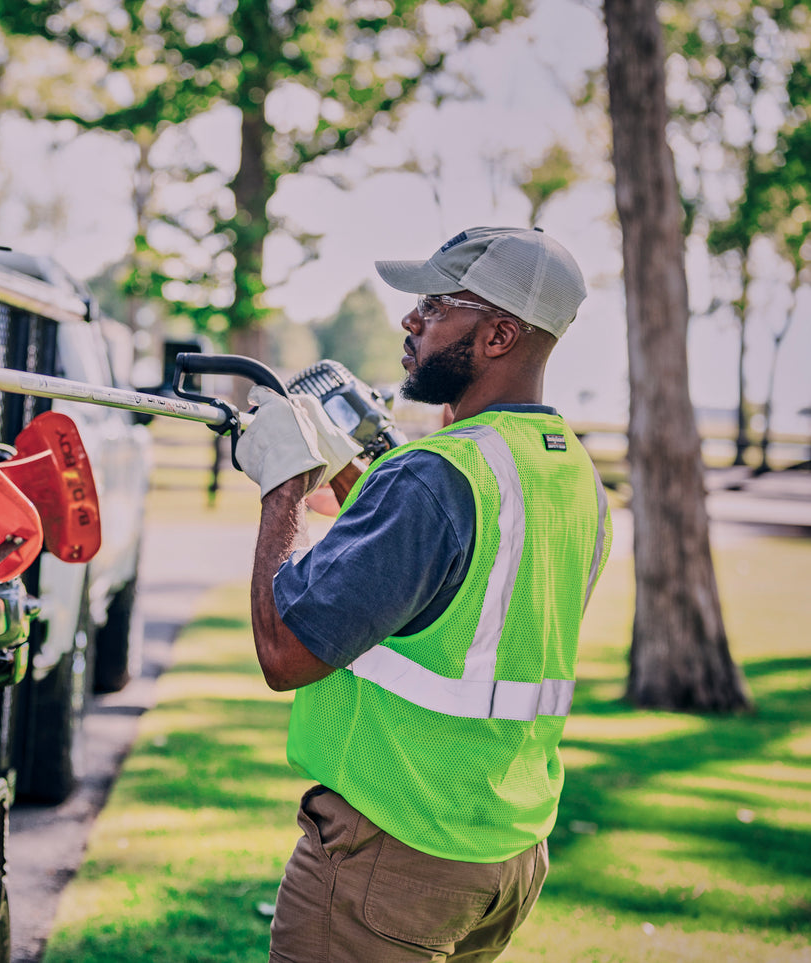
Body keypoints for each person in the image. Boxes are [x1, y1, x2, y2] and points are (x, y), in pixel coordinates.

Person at [237, 226, 612, 962]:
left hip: (391, 856)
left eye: (436, 305)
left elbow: (285, 651)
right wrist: (361, 475)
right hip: (499, 855)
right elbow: (439, 593)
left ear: (499, 333)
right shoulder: (572, 475)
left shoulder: (435, 476)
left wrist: (284, 484)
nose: (411, 319)